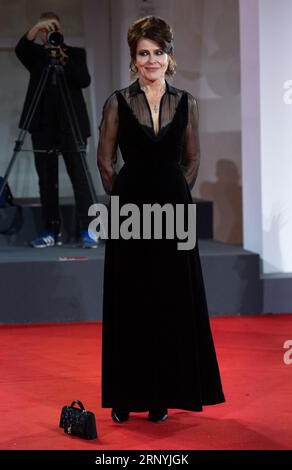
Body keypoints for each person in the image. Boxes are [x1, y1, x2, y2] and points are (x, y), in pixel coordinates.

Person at [97, 16, 225, 423]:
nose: (151, 60)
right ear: (133, 59)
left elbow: (193, 158)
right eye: (143, 53)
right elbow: (104, 160)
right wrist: (126, 199)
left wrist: (176, 196)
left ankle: (160, 398)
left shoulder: (186, 102)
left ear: (169, 57)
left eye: (158, 52)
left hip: (175, 212)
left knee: (172, 301)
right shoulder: (117, 101)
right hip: (130, 213)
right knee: (130, 300)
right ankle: (124, 396)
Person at [15, 11, 98, 248]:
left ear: (62, 31)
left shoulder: (75, 54)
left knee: (80, 177)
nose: (51, 33)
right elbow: (21, 49)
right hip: (42, 126)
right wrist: (36, 28)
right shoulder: (36, 56)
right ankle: (51, 231)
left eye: (54, 29)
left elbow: (83, 80)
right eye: (46, 30)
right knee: (47, 180)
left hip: (71, 125)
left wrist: (62, 56)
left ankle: (89, 229)